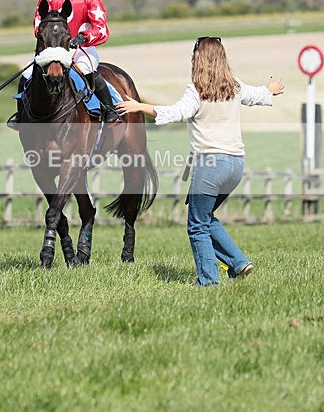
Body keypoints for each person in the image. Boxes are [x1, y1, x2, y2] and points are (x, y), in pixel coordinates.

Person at [115, 37, 284, 286]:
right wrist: (269, 89)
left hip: (211, 166)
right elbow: (257, 95)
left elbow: (175, 112)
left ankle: (208, 281)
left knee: (196, 226)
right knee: (204, 217)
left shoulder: (196, 90)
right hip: (236, 164)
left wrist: (139, 106)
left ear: (199, 59)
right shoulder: (234, 86)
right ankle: (238, 263)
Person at [7, 0, 120, 128]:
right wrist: (54, 44)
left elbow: (102, 29)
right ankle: (21, 117)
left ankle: (109, 110)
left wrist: (83, 37)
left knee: (87, 71)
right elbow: (38, 25)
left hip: (81, 49)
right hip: (52, 48)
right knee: (27, 74)